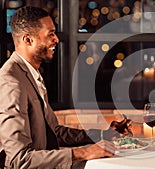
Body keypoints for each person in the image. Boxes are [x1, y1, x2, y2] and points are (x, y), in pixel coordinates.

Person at [0, 6, 132, 169]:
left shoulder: (30, 74)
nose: (56, 39)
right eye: (50, 34)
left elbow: (53, 131)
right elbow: (19, 160)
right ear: (28, 40)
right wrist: (84, 152)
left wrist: (103, 134)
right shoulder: (11, 82)